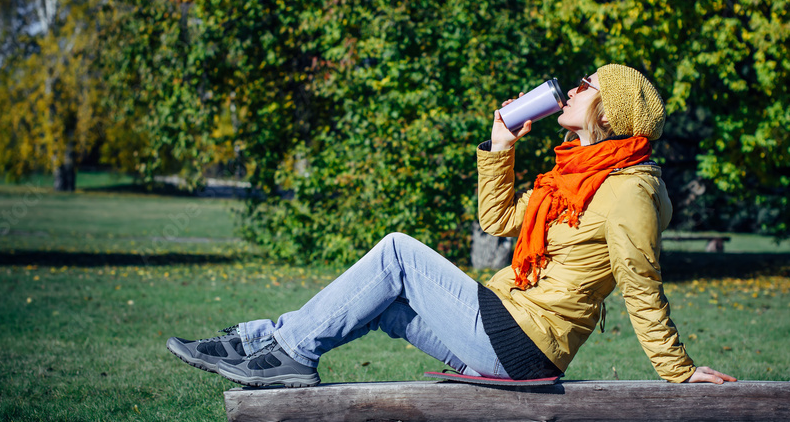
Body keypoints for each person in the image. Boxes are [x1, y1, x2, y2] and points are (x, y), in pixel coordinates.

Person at [166, 63, 736, 387]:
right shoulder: (576, 174)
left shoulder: (629, 191)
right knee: (385, 304)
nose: (575, 87)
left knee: (396, 253)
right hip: (505, 333)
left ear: (611, 113)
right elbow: (498, 220)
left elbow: (641, 283)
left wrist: (679, 372)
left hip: (524, 345)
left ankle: (281, 351)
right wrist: (499, 147)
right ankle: (270, 341)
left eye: (588, 85)